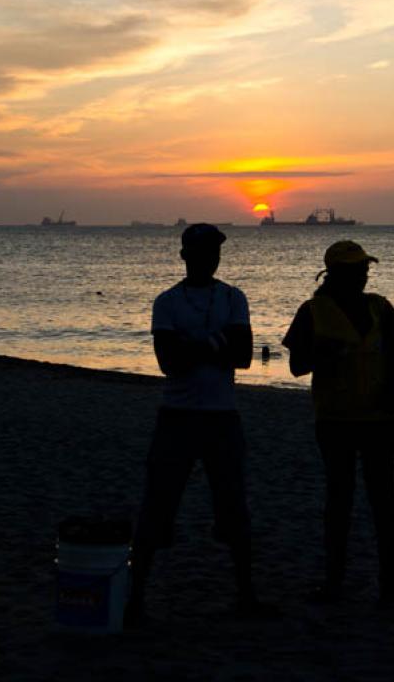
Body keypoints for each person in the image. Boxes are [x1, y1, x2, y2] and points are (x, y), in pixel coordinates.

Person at [125, 223, 274, 625]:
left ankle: (245, 596)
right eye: (202, 251)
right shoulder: (167, 302)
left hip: (222, 417)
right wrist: (215, 343)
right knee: (157, 506)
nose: (209, 258)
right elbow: (169, 364)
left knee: (233, 506)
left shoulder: (233, 297)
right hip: (177, 417)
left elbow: (243, 355)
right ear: (185, 255)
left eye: (214, 252)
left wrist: (195, 347)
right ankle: (135, 599)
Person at [282, 240, 394, 608]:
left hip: (381, 419)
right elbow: (296, 366)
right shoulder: (312, 312)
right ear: (335, 274)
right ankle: (335, 582)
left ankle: (389, 586)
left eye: (365, 269)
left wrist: (391, 391)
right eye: (356, 270)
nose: (364, 275)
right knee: (340, 501)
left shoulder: (381, 308)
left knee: (383, 500)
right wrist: (324, 355)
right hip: (336, 419)